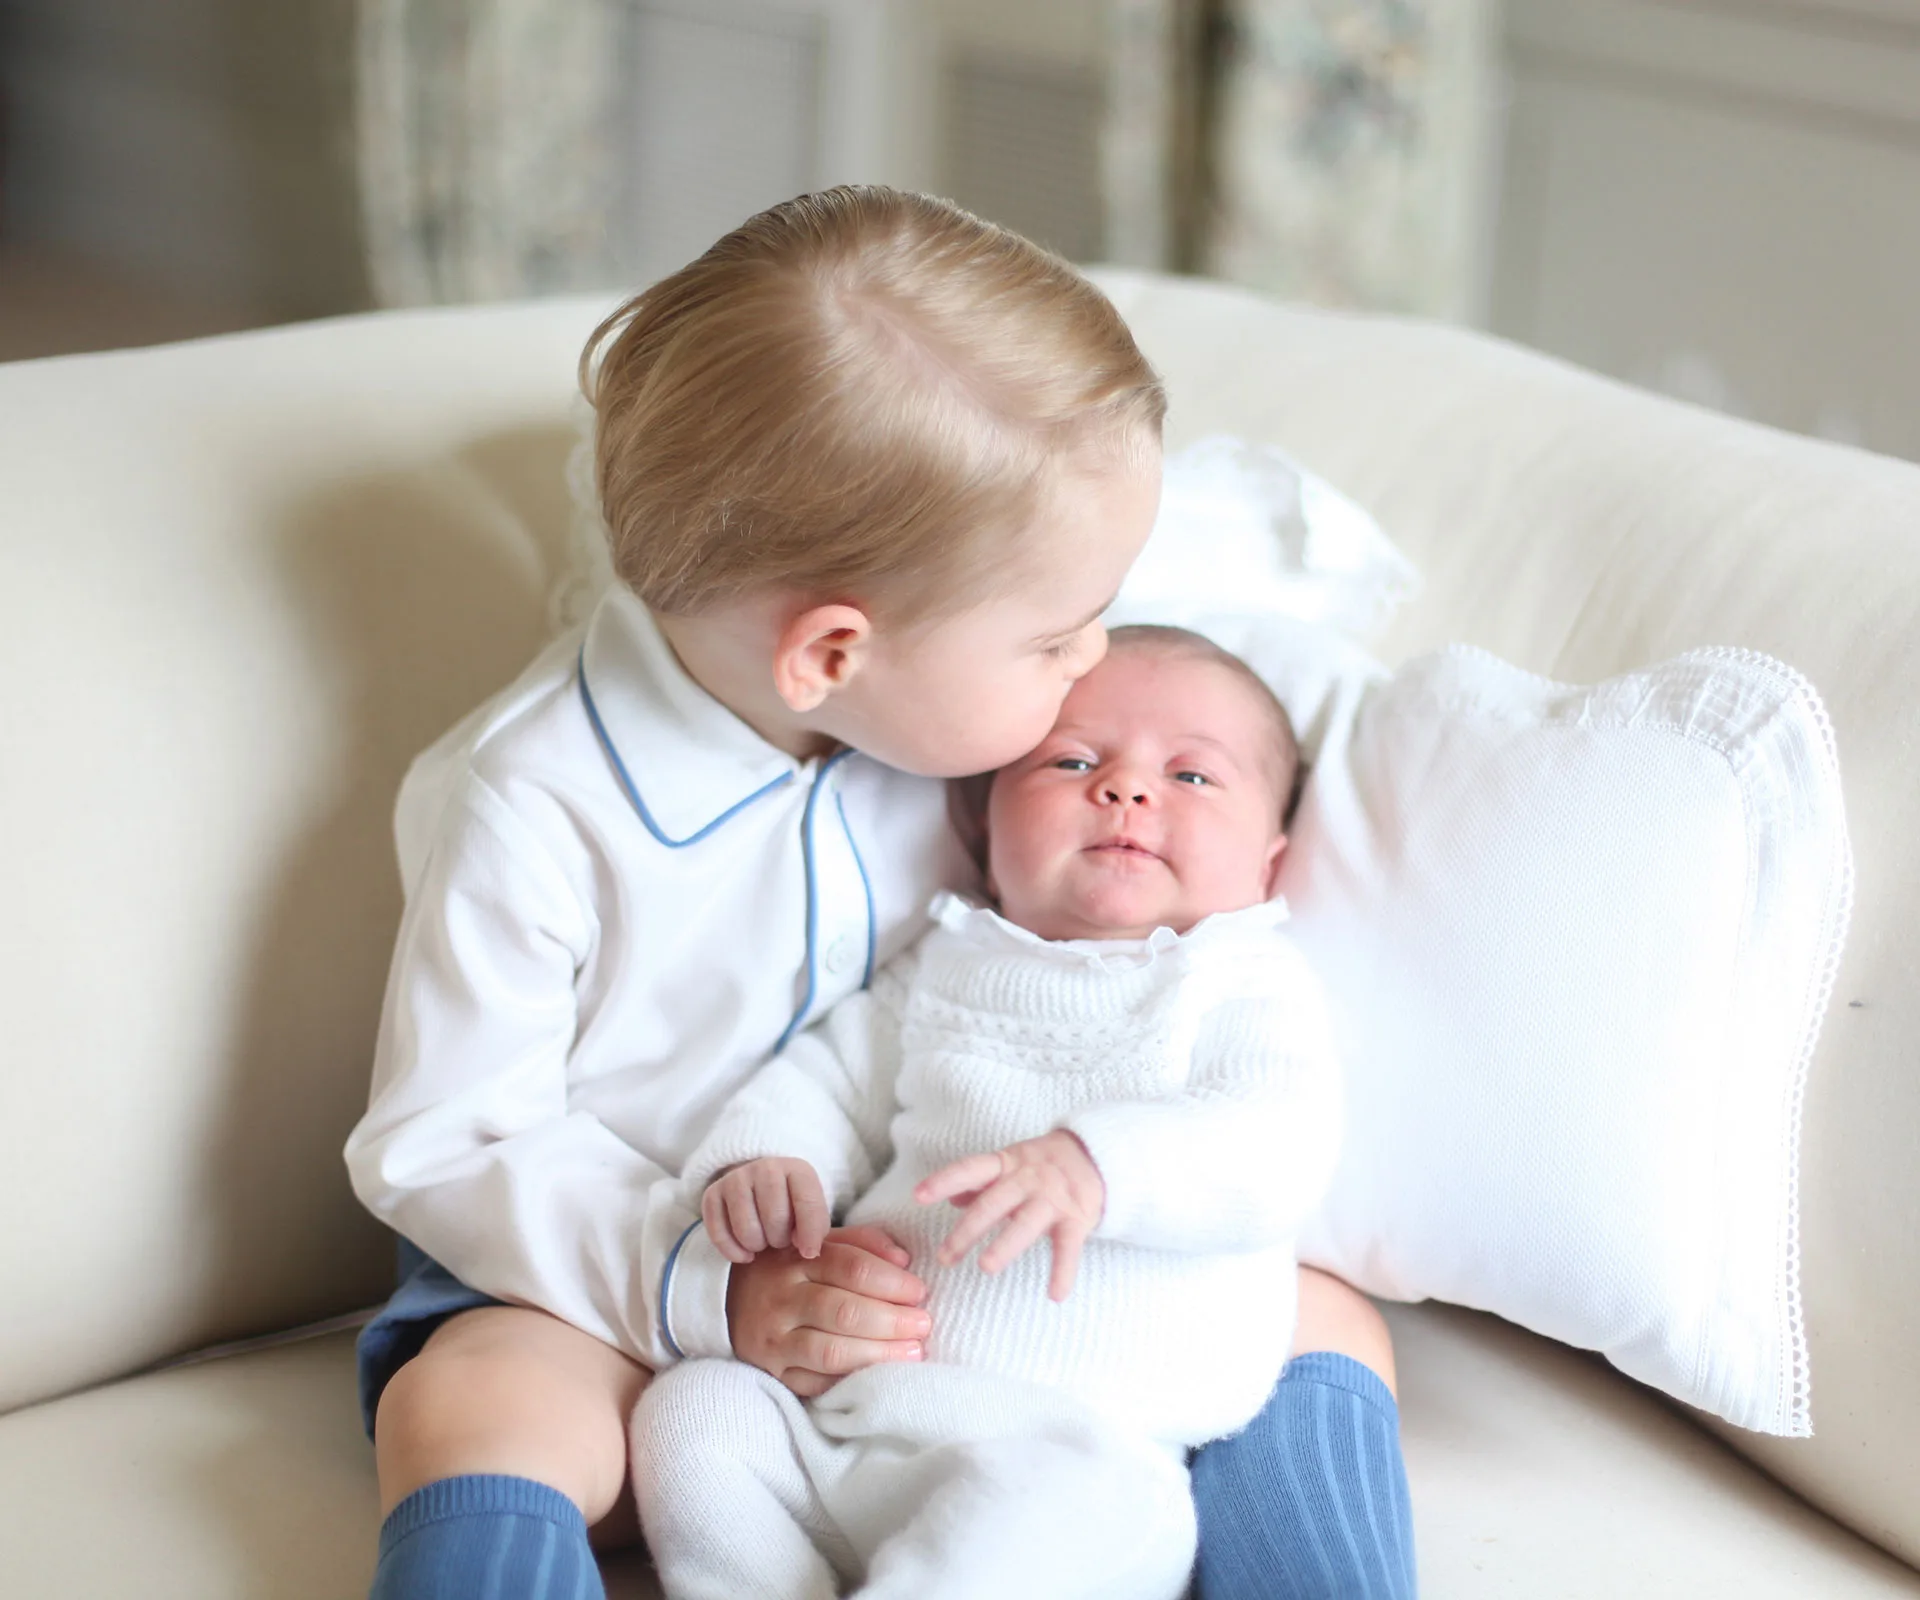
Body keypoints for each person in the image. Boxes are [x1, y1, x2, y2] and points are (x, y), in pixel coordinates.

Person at [344, 187, 1414, 1600]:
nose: (1089, 656)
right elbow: (442, 1144)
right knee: (472, 1397)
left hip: (969, 1284)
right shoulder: (534, 805)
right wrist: (710, 1287)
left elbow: (1145, 605)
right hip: (625, 1286)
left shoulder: (957, 710)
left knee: (1324, 1313)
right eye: (1054, 637)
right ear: (833, 654)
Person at [634, 625, 1340, 1599]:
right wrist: (765, 1160)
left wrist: (1098, 1165)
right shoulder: (950, 961)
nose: (1128, 789)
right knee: (696, 1410)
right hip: (854, 1418)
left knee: (1076, 1512)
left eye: (1194, 777)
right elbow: (831, 1078)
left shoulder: (1241, 980)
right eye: (1074, 760)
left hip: (1083, 1449)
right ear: (983, 823)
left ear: (1267, 863)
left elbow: (1280, 1145)